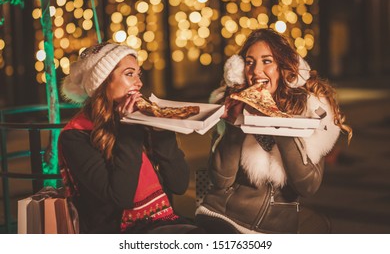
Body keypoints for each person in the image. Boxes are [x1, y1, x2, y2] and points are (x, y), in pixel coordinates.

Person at [195, 28, 352, 234]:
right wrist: (234, 127)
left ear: (284, 69)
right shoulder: (232, 103)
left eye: (267, 61)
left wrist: (279, 123)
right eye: (250, 62)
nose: (256, 71)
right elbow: (221, 181)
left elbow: (308, 187)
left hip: (276, 229)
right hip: (223, 217)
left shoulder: (309, 110)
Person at [58, 42, 200, 233]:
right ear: (103, 81)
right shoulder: (75, 136)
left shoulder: (141, 117)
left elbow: (179, 184)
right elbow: (121, 196)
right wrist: (129, 129)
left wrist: (162, 131)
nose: (139, 83)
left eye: (138, 74)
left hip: (163, 221)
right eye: (129, 74)